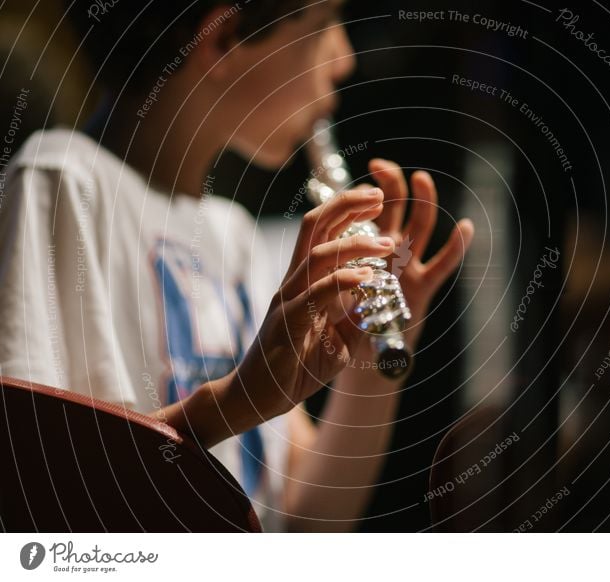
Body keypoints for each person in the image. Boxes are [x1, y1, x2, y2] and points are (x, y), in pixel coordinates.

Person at [0, 0, 474, 531]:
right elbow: (35, 487)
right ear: (223, 38)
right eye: (321, 27)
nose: (343, 59)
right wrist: (232, 403)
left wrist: (376, 359)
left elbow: (309, 524)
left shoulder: (233, 236)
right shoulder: (63, 180)